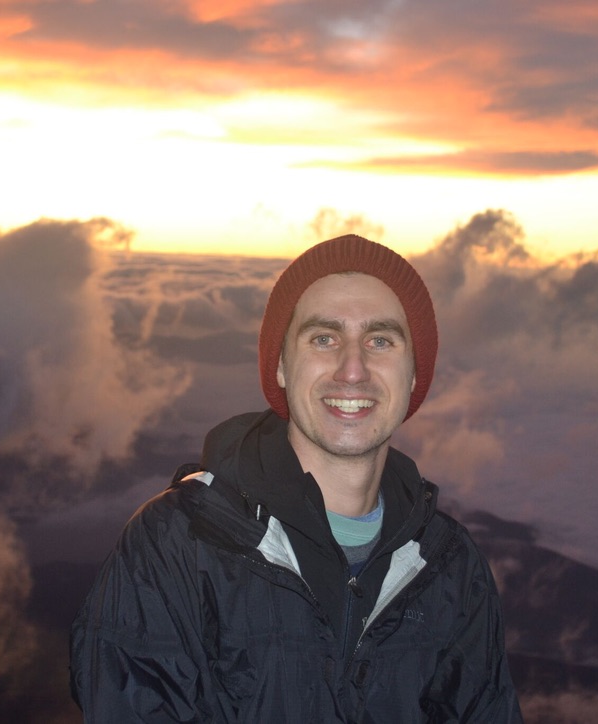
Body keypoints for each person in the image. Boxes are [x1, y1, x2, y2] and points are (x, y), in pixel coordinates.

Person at [70, 234, 522, 722]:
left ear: (415, 374)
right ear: (282, 366)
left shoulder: (449, 567)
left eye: (380, 341)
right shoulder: (176, 547)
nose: (353, 369)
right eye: (323, 338)